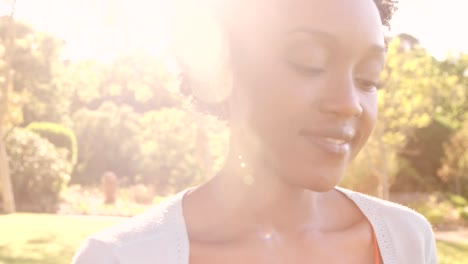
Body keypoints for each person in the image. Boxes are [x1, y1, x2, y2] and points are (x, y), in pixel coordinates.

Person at [72, 0, 438, 263]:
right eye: (310, 62)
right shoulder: (122, 257)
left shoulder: (406, 241)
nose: (350, 104)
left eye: (367, 78)